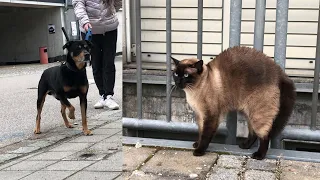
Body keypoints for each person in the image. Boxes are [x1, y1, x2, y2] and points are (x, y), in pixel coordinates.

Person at [72, 0, 121, 110]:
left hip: (110, 28)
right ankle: (102, 95)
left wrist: (111, 11)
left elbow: (118, 2)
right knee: (96, 63)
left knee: (108, 62)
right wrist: (85, 21)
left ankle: (109, 96)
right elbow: (78, 4)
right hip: (90, 29)